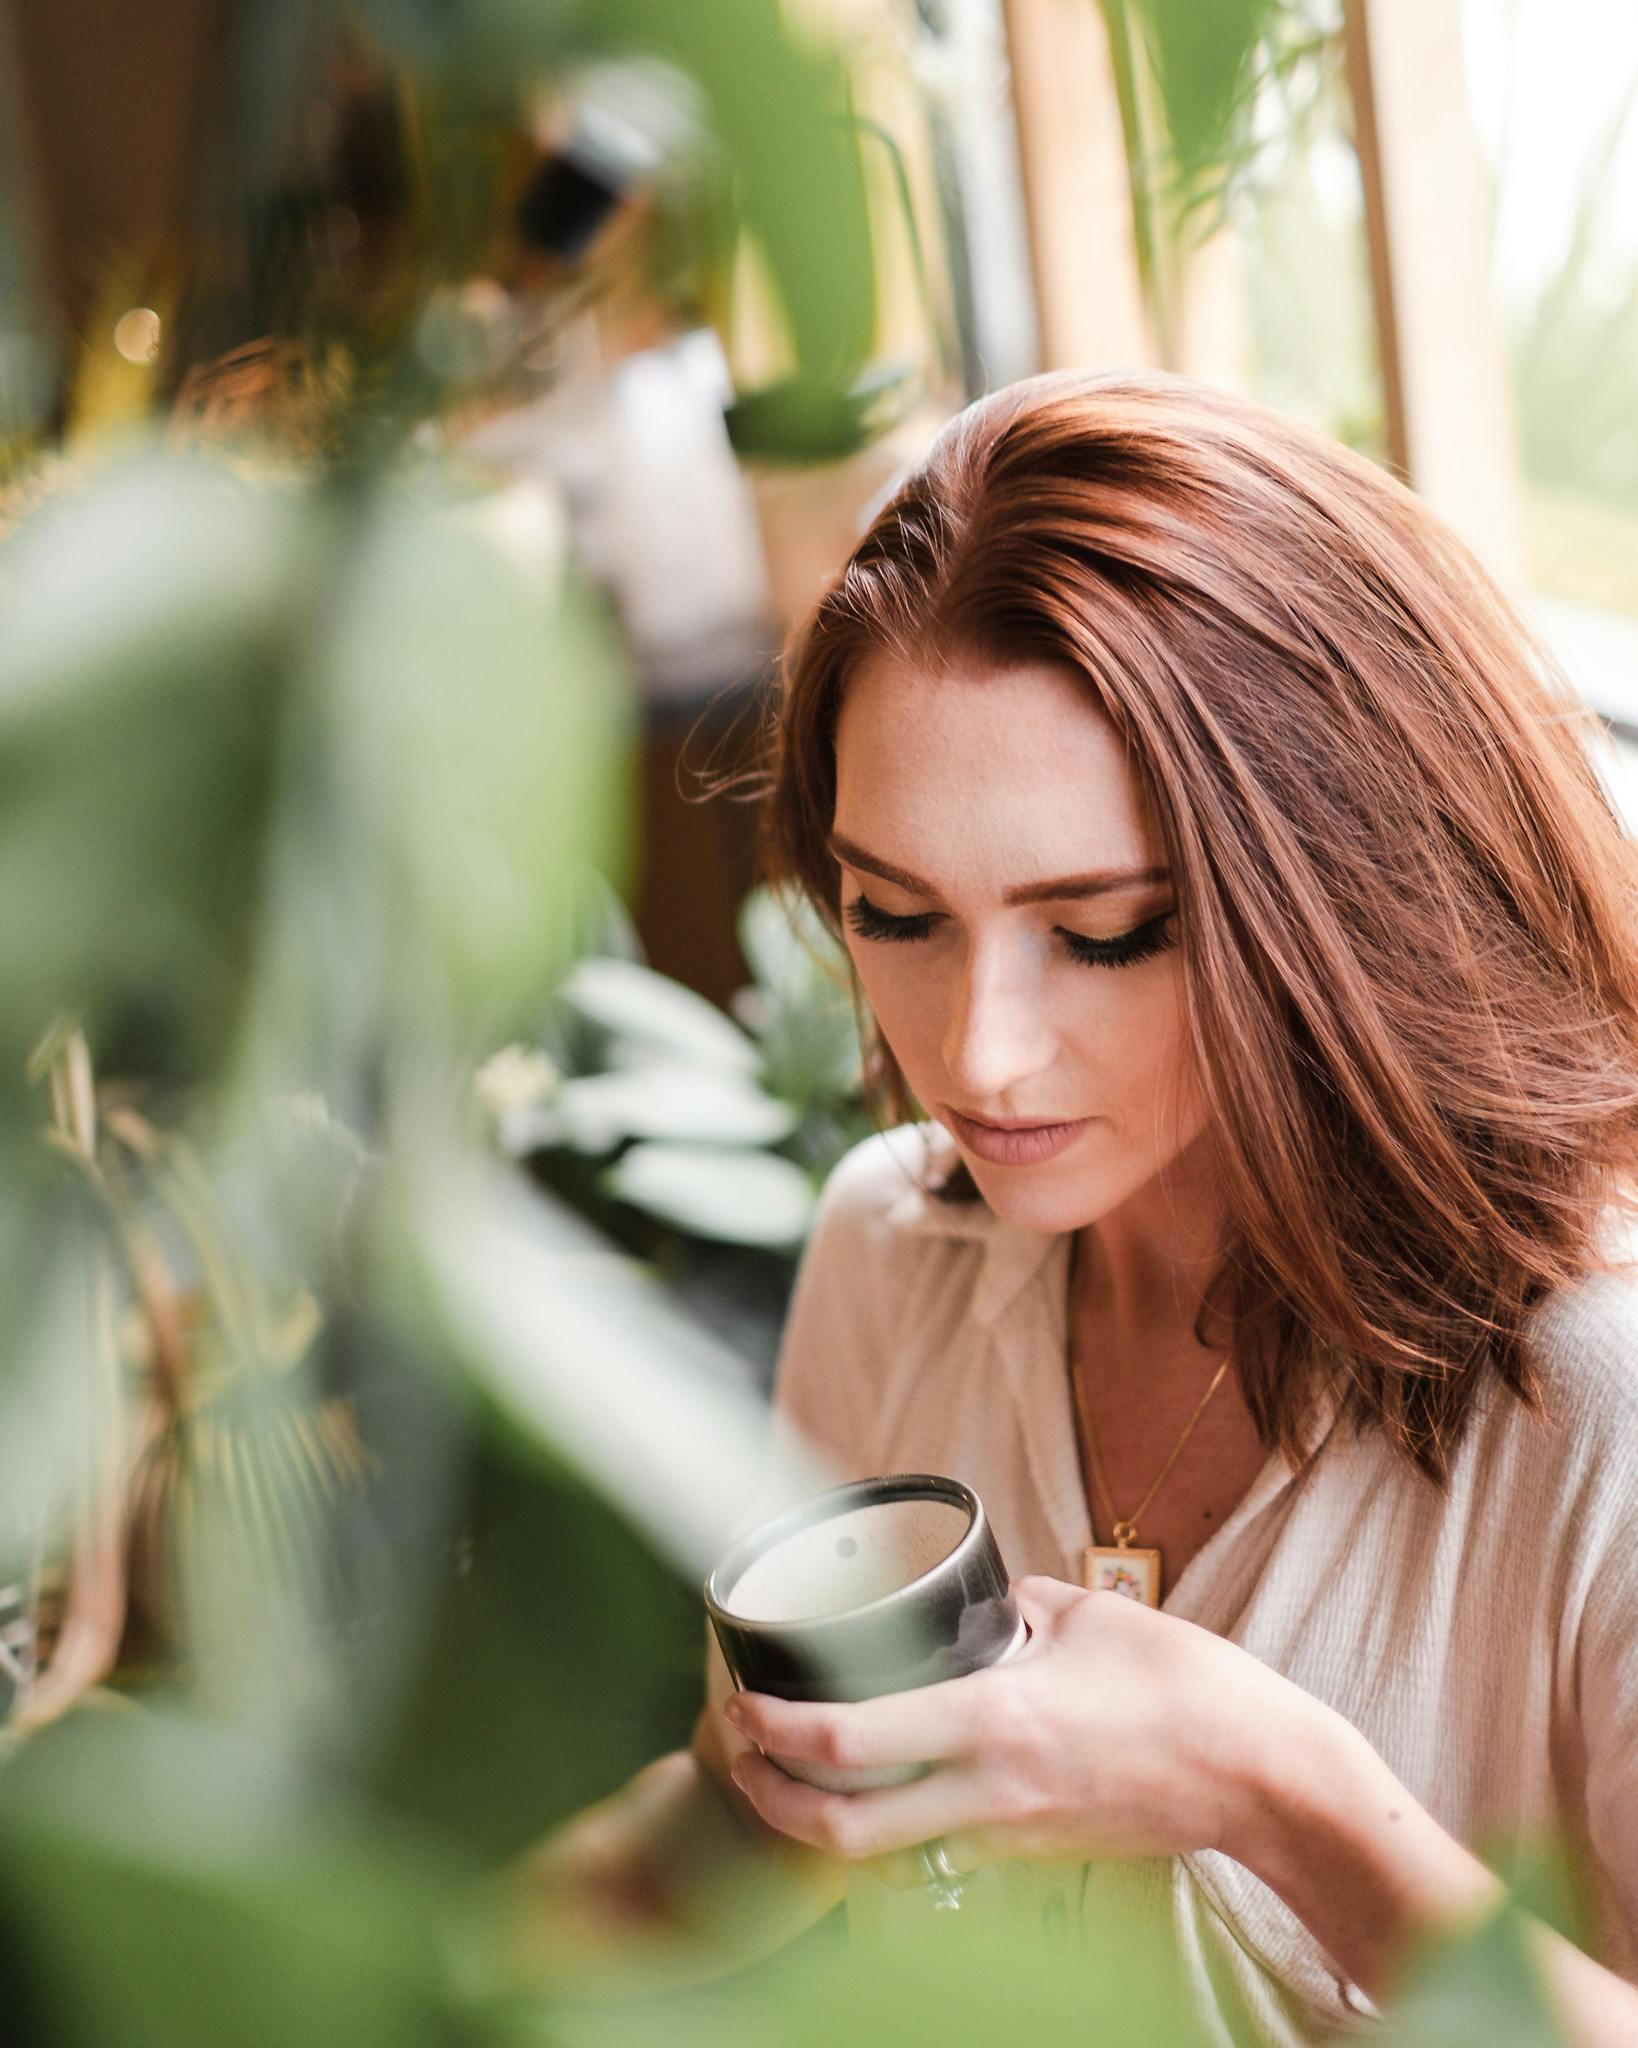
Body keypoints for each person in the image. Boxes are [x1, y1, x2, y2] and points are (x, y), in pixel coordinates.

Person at [521, 372, 1638, 2044]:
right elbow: (742, 1822)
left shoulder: (1597, 1392)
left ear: (1340, 901)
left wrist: (1274, 1797)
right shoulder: (890, 1249)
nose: (976, 1053)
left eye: (1103, 930)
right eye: (893, 913)